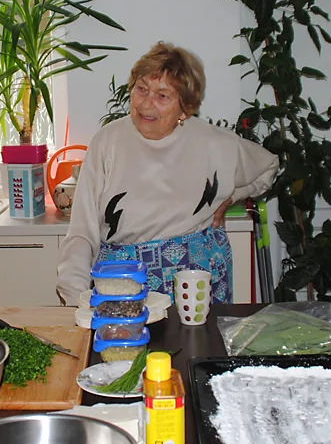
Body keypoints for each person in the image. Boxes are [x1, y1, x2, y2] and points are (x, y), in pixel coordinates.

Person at [56, 42, 278, 305]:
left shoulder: (214, 144)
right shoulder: (107, 142)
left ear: (185, 109)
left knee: (199, 347)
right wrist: (74, 296)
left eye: (163, 96)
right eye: (141, 89)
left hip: (193, 285)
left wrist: (230, 196)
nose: (147, 104)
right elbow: (82, 232)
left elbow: (268, 166)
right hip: (124, 283)